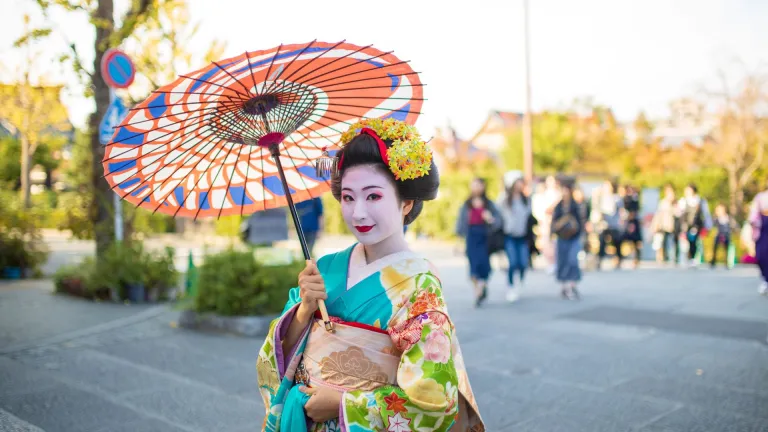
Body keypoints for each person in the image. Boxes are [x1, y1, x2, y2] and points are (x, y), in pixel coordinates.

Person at [255, 119, 484, 431]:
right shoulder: (325, 267)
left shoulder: (420, 284)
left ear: (407, 202)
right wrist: (303, 311)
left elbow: (433, 400)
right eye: (348, 197)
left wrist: (343, 404)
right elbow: (276, 353)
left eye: (373, 196)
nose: (357, 212)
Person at [456, 178, 502, 307]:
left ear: (483, 187)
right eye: (473, 185)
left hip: (485, 236)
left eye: (478, 185)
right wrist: (459, 239)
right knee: (473, 264)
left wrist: (490, 219)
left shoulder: (489, 204)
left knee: (484, 264)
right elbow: (461, 222)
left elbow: (498, 221)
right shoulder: (467, 204)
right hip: (471, 236)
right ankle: (478, 291)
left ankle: (483, 285)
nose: (475, 188)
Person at [497, 178, 532, 302]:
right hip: (509, 235)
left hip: (522, 236)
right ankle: (511, 286)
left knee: (523, 263)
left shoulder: (526, 200)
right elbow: (498, 213)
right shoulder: (505, 199)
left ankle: (520, 281)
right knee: (512, 262)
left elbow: (529, 216)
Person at [552, 180, 583, 299]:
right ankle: (565, 285)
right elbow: (554, 223)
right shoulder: (558, 206)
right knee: (563, 260)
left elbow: (580, 222)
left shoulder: (575, 206)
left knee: (572, 260)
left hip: (573, 236)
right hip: (562, 236)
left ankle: (572, 284)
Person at [678, 184, 709, 268]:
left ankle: (693, 258)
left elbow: (706, 214)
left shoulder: (700, 201)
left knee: (694, 241)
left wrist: (707, 226)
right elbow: (680, 214)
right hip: (685, 225)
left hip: (696, 225)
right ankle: (684, 259)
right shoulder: (683, 201)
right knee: (684, 242)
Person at [596, 181, 624, 270]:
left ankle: (618, 259)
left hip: (614, 223)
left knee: (616, 242)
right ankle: (599, 260)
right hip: (604, 224)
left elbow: (621, 211)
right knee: (602, 242)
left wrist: (621, 221)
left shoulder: (617, 198)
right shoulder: (601, 198)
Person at [651, 184, 680, 265]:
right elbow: (659, 214)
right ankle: (664, 257)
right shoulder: (663, 202)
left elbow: (679, 213)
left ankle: (675, 258)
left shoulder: (676, 202)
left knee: (675, 241)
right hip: (664, 225)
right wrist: (656, 225)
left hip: (674, 225)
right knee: (663, 241)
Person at [749, 183, 768, 294]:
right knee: (761, 254)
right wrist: (753, 222)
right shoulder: (760, 197)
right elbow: (754, 213)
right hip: (763, 226)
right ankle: (766, 278)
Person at [622, 185, 643, 268]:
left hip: (634, 221)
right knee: (625, 240)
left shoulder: (635, 199)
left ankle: (636, 258)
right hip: (628, 221)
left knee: (636, 241)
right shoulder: (625, 199)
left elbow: (637, 210)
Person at [710, 203, 737, 269]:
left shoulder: (728, 218)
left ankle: (727, 262)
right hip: (718, 235)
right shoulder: (715, 219)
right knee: (715, 247)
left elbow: (734, 225)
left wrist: (733, 230)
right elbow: (712, 226)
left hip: (726, 235)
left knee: (726, 248)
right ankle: (713, 261)